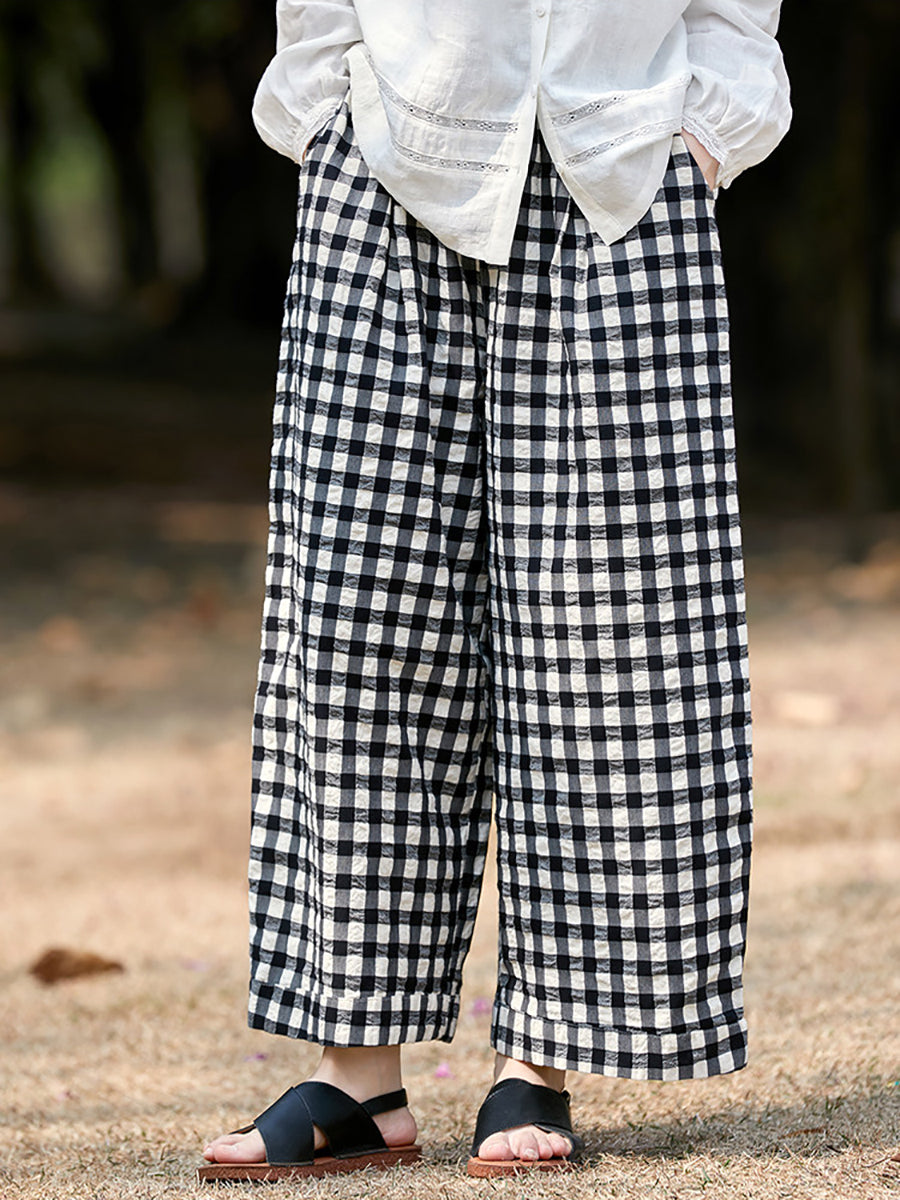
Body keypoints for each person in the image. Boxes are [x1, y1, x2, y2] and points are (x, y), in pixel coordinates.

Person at [199, 0, 791, 1181]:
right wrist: (326, 117)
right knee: (360, 620)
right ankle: (356, 1077)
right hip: (385, 164)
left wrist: (701, 140)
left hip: (623, 176)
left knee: (608, 646)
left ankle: (542, 1060)